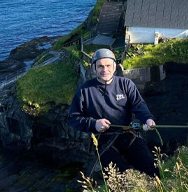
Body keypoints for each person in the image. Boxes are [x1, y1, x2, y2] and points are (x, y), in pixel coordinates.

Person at [67, 48, 159, 177]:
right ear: (93, 68)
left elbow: (138, 105)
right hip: (103, 140)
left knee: (152, 170)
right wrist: (94, 124)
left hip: (128, 133)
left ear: (115, 67)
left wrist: (147, 119)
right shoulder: (85, 90)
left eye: (108, 65)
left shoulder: (126, 84)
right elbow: (72, 118)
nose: (105, 70)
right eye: (100, 66)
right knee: (118, 178)